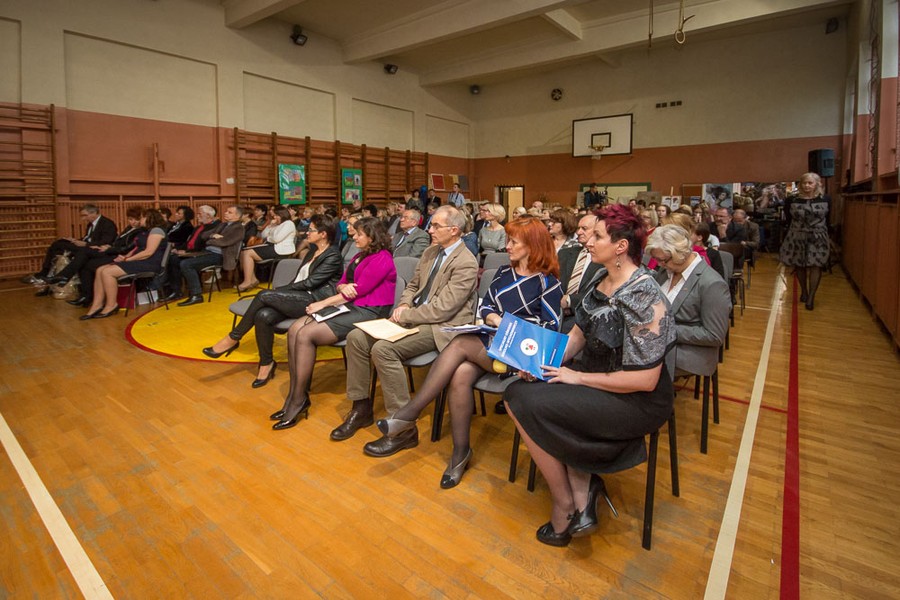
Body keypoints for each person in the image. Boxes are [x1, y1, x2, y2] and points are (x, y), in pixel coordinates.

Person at [502, 204, 676, 547]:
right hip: (595, 375)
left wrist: (575, 378)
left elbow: (644, 381)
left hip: (635, 399)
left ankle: (567, 503)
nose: (588, 242)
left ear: (621, 246)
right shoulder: (601, 276)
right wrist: (543, 365)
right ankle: (581, 489)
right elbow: (577, 336)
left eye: (597, 236)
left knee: (522, 400)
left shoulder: (644, 294)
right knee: (519, 391)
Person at [374, 217, 563, 488]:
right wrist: (494, 321)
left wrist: (505, 324)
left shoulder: (548, 284)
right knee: (461, 373)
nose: (507, 246)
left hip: (522, 356)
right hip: (489, 347)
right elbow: (485, 308)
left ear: (532, 246)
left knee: (461, 344)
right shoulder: (502, 274)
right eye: (507, 240)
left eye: (513, 242)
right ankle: (460, 453)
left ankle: (409, 413)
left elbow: (551, 329)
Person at [336, 206, 478, 448]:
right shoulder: (431, 252)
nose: (429, 230)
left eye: (435, 226)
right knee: (356, 338)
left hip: (442, 327)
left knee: (383, 349)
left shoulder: (467, 262)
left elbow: (444, 309)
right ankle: (361, 407)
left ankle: (402, 429)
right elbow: (412, 286)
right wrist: (402, 306)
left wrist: (406, 315)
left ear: (454, 230)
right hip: (412, 317)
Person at [270, 217, 397, 431]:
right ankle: (295, 395)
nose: (353, 237)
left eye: (358, 234)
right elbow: (342, 283)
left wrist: (323, 303)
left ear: (372, 236)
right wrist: (342, 288)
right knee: (294, 329)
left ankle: (298, 399)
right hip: (351, 306)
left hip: (370, 311)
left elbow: (359, 290)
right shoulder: (359, 255)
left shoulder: (382, 258)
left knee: (305, 334)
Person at [202, 215, 343, 387]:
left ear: (323, 234)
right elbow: (299, 278)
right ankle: (266, 363)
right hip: (300, 296)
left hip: (315, 300)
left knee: (264, 295)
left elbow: (310, 283)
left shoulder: (333, 255)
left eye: (312, 230)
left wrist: (278, 292)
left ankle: (233, 337)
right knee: (263, 315)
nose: (307, 232)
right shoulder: (313, 251)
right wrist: (281, 292)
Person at [81, 209, 168, 320]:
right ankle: (96, 305)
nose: (140, 220)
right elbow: (137, 248)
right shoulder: (144, 231)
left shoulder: (157, 230)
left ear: (149, 218)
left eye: (141, 217)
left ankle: (111, 305)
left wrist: (128, 259)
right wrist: (125, 257)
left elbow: (148, 252)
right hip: (138, 260)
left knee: (108, 272)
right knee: (100, 270)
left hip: (149, 263)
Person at [26, 204, 118, 285]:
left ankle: (49, 274)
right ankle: (50, 273)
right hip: (87, 245)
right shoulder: (91, 224)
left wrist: (85, 244)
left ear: (94, 213)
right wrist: (75, 240)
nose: (83, 218)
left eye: (85, 215)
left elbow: (106, 241)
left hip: (95, 248)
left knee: (61, 247)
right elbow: (88, 237)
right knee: (59, 243)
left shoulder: (107, 223)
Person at [780, 172, 830, 310]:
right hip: (797, 235)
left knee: (816, 265)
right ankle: (804, 291)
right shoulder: (792, 200)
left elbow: (828, 218)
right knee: (799, 264)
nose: (807, 185)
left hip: (818, 236)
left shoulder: (825, 199)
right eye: (804, 183)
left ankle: (811, 297)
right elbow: (788, 218)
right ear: (800, 184)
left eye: (810, 183)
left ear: (816, 184)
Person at [176, 205, 244, 306]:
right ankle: (179, 291)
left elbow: (225, 242)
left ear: (237, 216)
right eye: (226, 211)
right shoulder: (223, 225)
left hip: (220, 256)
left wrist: (210, 241)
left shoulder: (238, 228)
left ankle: (196, 295)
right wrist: (213, 236)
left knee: (186, 264)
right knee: (176, 259)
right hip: (209, 252)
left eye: (229, 212)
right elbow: (204, 235)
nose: (225, 213)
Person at [558, 213, 603, 333]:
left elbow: (600, 294)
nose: (578, 232)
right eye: (578, 228)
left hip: (585, 316)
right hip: (556, 312)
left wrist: (569, 301)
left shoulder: (604, 259)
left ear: (597, 231)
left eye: (584, 228)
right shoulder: (564, 253)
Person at [236, 206, 297, 292]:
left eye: (276, 215)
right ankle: (252, 279)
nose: (275, 218)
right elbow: (263, 235)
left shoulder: (288, 224)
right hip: (271, 246)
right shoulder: (276, 224)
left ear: (282, 215)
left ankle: (247, 281)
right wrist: (270, 226)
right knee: (244, 251)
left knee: (248, 253)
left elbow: (277, 238)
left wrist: (269, 236)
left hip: (281, 250)